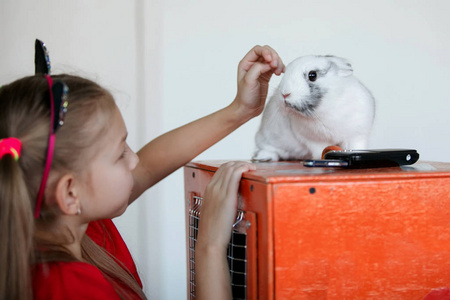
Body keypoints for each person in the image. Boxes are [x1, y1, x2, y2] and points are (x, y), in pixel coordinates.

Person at [0, 44, 285, 299]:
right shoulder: (68, 288)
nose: (134, 160)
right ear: (70, 193)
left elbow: (148, 166)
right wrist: (209, 247)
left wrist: (241, 110)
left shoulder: (73, 222)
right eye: (119, 154)